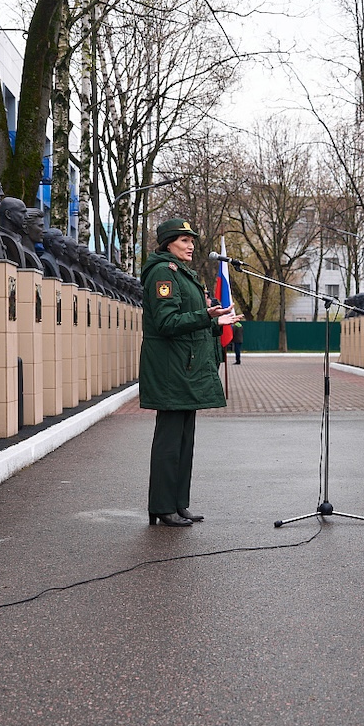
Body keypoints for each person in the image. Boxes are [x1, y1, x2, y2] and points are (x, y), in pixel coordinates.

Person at [140, 218, 236, 527]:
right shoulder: (162, 274)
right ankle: (161, 506)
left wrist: (215, 321)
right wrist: (204, 315)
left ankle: (178, 503)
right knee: (169, 443)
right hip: (171, 369)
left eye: (192, 240)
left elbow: (190, 320)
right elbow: (167, 323)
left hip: (185, 367)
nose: (191, 245)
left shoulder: (182, 273)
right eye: (184, 240)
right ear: (168, 243)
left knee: (184, 442)